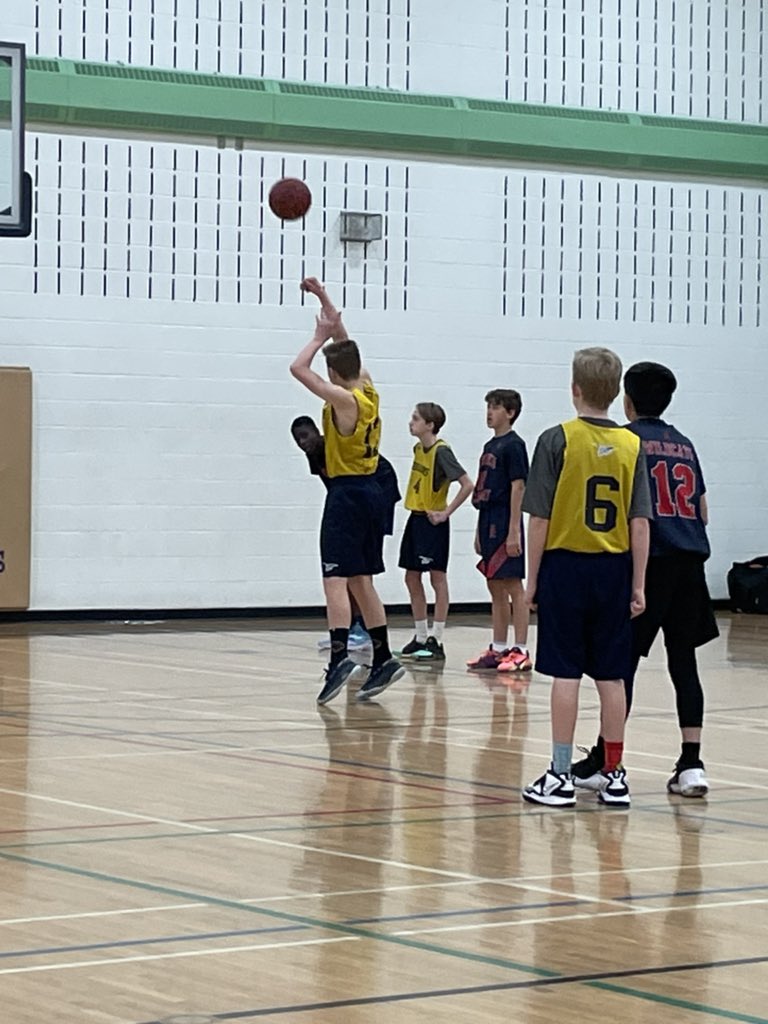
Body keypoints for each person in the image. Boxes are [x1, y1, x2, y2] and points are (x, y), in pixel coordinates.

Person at [571, 362, 718, 798]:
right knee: (684, 663)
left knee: (620, 667)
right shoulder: (685, 444)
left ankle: (606, 761)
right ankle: (692, 764)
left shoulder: (625, 440)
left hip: (648, 562)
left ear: (626, 401)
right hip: (690, 564)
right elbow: (703, 511)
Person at [521, 347, 651, 808]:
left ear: (574, 389)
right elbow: (640, 523)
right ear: (616, 393)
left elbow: (538, 518)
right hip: (614, 569)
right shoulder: (634, 445)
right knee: (612, 675)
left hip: (567, 565)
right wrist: (638, 583)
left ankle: (559, 775)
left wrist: (531, 580)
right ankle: (614, 775)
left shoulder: (556, 439)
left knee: (565, 672)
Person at [289, 277, 404, 705]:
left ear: (336, 373)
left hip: (348, 494)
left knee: (334, 578)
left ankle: (340, 656)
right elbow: (346, 342)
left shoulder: (344, 400)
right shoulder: (367, 387)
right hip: (371, 492)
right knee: (361, 580)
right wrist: (324, 301)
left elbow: (298, 369)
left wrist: (317, 338)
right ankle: (384, 656)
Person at [397, 403, 474, 662]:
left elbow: (467, 484)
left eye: (416, 418)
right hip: (415, 518)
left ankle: (436, 639)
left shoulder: (442, 452)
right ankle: (420, 635)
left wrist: (446, 512)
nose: (411, 422)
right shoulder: (419, 448)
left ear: (430, 425)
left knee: (437, 579)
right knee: (411, 577)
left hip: (433, 523)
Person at [466, 389, 532, 674]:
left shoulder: (514, 445)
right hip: (488, 517)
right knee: (494, 585)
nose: (489, 412)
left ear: (510, 412)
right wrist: (478, 531)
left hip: (506, 517)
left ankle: (521, 649)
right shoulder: (489, 446)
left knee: (513, 585)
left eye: (495, 407)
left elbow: (519, 486)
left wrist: (514, 529)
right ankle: (499, 646)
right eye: (488, 407)